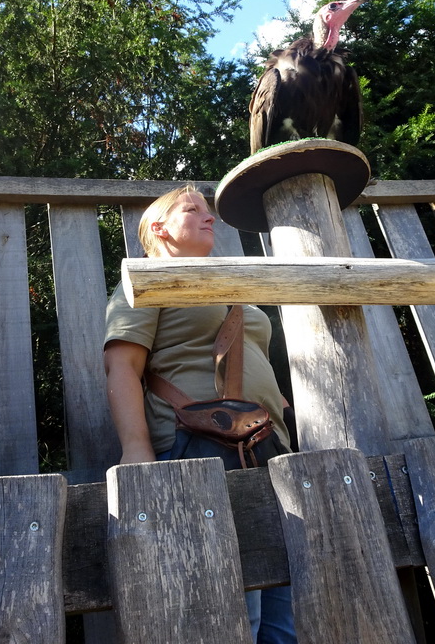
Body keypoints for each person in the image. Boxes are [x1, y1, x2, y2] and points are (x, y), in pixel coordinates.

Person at [103, 183, 296, 643]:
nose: (209, 217)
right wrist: (136, 450)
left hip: (271, 449)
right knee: (234, 614)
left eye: (209, 211)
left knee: (286, 619)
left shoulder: (234, 288)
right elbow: (122, 367)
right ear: (158, 227)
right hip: (197, 449)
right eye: (193, 209)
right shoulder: (144, 279)